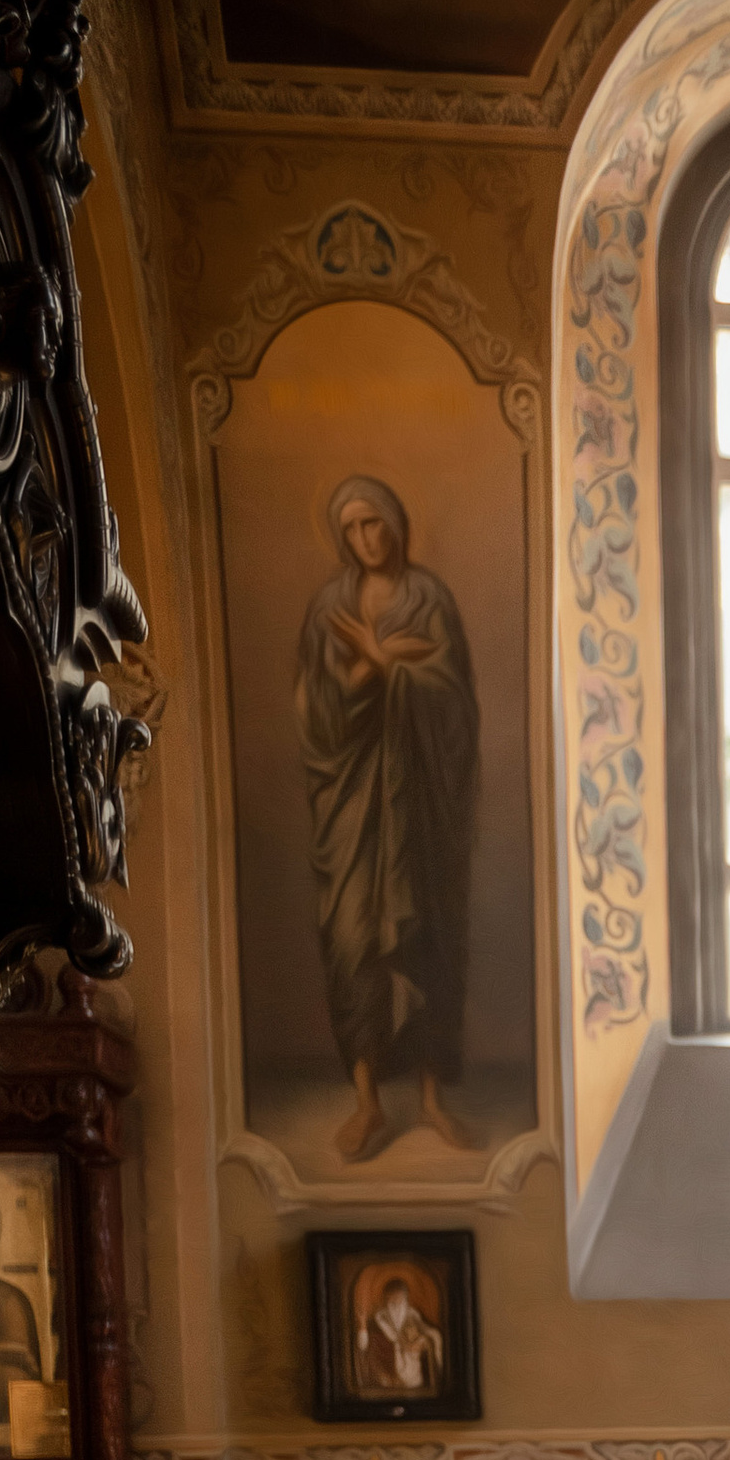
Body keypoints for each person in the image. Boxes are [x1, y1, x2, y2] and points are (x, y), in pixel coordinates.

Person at [295, 476, 480, 1166]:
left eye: (374, 524)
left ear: (397, 524)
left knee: (425, 936)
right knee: (353, 941)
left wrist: (393, 670)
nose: (364, 539)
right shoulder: (329, 610)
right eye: (351, 529)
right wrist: (374, 670)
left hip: (421, 800)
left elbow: (456, 704)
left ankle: (432, 1098)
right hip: (353, 808)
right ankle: (369, 1101)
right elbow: (317, 715)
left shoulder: (428, 600)